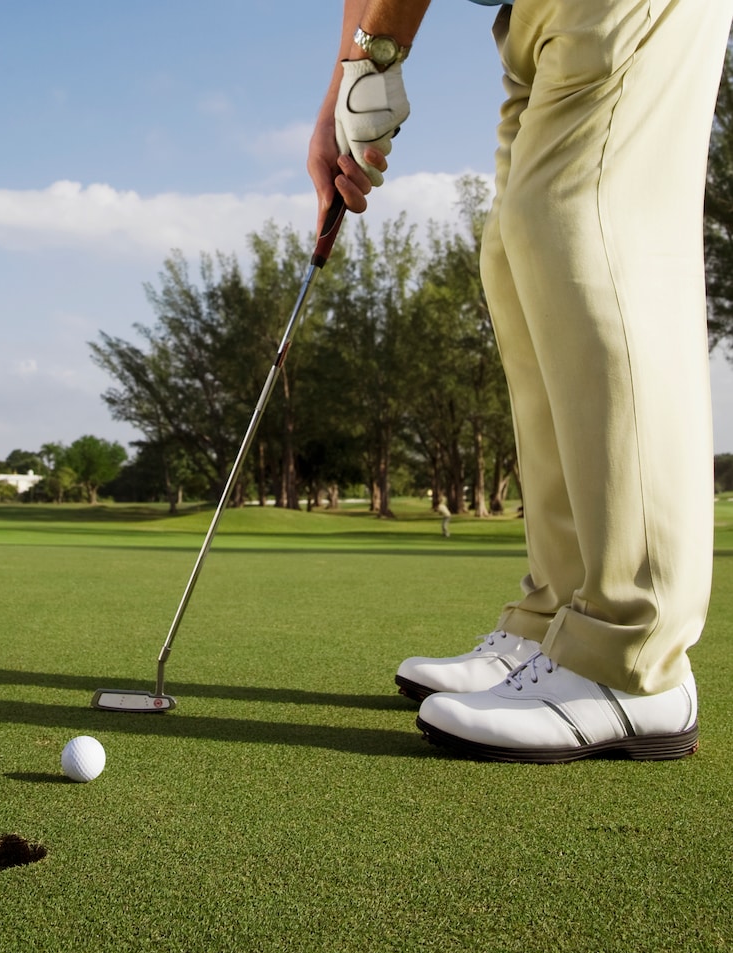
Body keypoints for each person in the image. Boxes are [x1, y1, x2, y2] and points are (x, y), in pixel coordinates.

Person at [309, 0, 733, 762]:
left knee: (579, 221)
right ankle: (556, 622)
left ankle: (632, 658)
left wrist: (375, 58)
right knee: (516, 254)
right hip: (529, 14)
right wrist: (345, 85)